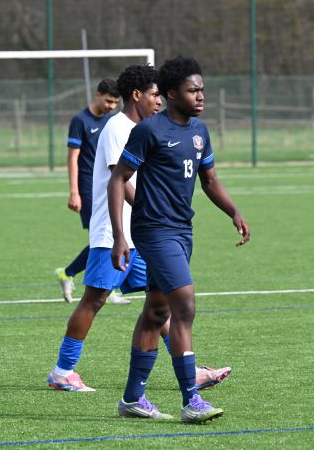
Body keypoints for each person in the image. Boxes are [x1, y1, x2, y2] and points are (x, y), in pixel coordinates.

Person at [47, 64, 232, 394]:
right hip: (114, 232)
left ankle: (190, 372)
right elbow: (121, 180)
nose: (159, 102)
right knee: (94, 299)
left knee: (159, 304)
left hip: (144, 234)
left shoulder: (146, 128)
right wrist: (153, 212)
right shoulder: (118, 128)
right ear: (136, 95)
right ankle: (63, 370)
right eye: (154, 95)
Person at [109, 56, 250, 423]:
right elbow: (118, 178)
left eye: (202, 89)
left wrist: (233, 211)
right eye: (192, 90)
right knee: (184, 305)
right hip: (153, 230)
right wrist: (120, 236)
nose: (200, 96)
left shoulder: (200, 131)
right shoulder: (150, 130)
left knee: (156, 312)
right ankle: (191, 400)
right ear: (171, 94)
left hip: (182, 230)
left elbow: (210, 180)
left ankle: (132, 399)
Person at [54, 79, 129, 305]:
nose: (111, 106)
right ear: (97, 95)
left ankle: (100, 282)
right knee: (102, 239)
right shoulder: (80, 120)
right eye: (108, 101)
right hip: (89, 188)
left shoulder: (112, 121)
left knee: (113, 235)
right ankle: (72, 275)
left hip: (110, 185)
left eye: (115, 102)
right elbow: (73, 158)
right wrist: (74, 192)